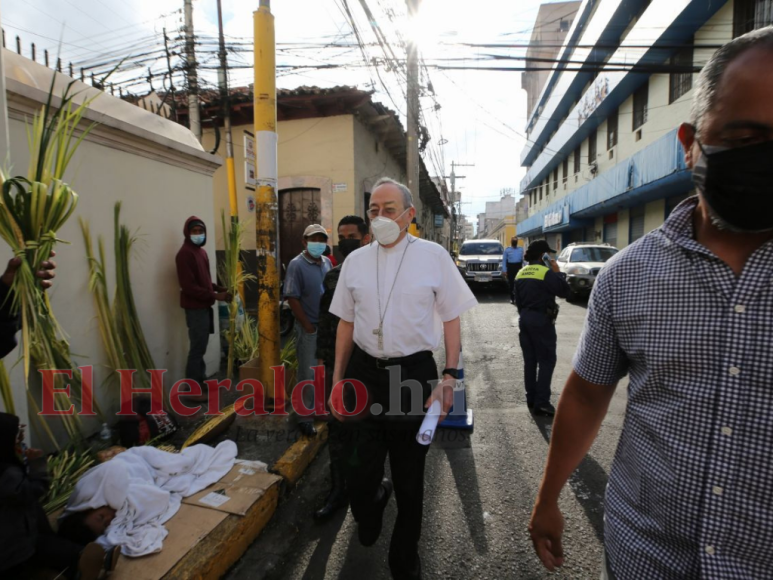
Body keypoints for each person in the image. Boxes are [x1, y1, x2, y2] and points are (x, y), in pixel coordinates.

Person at [529, 27, 773, 579]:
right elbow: (588, 395)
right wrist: (548, 497)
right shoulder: (629, 274)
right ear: (691, 141)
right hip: (644, 557)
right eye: (745, 139)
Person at [329, 177, 477, 579]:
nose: (379, 217)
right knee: (357, 473)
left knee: (411, 481)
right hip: (363, 375)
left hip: (414, 376)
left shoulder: (433, 256)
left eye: (389, 209)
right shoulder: (356, 262)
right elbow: (345, 322)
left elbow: (451, 317)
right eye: (373, 210)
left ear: (409, 215)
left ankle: (404, 558)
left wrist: (449, 376)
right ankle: (371, 502)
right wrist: (338, 379)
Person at [0, 413, 120, 579]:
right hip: (15, 544)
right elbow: (33, 491)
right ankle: (86, 566)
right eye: (17, 435)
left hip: (25, 531)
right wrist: (37, 466)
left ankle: (98, 561)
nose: (21, 437)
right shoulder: (7, 473)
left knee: (55, 547)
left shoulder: (7, 464)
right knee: (50, 552)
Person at [313, 215, 370, 522]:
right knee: (337, 428)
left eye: (351, 235)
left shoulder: (378, 273)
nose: (345, 240)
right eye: (341, 235)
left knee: (368, 430)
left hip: (370, 364)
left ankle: (368, 486)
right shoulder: (333, 276)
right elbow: (326, 323)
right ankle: (338, 490)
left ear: (365, 237)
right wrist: (322, 362)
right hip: (338, 364)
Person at [284, 223, 332, 437]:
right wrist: (307, 326)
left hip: (325, 327)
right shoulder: (297, 264)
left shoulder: (326, 262)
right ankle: (304, 416)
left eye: (322, 240)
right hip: (310, 328)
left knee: (322, 373)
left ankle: (319, 409)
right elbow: (292, 297)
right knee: (308, 373)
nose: (318, 244)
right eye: (314, 240)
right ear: (304, 242)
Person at [175, 217, 231, 399]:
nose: (198, 235)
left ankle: (201, 381)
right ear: (187, 233)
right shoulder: (185, 254)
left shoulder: (201, 252)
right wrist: (215, 296)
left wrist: (217, 287)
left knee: (201, 345)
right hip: (195, 308)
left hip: (204, 306)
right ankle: (191, 388)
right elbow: (189, 287)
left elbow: (204, 281)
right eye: (194, 231)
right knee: (197, 348)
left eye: (201, 231)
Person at [514, 240, 570, 416]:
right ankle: (542, 402)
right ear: (542, 256)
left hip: (525, 319)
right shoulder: (546, 272)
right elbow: (564, 291)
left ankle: (531, 398)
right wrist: (558, 273)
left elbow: (518, 301)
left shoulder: (521, 273)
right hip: (541, 320)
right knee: (546, 360)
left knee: (530, 361)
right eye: (548, 254)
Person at [502, 237, 524, 303]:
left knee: (519, 283)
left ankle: (519, 298)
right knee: (511, 284)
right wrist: (504, 270)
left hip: (519, 267)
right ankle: (512, 298)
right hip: (510, 268)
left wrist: (525, 268)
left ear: (517, 242)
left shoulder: (521, 249)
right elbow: (504, 261)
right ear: (511, 242)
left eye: (516, 241)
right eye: (513, 241)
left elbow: (523, 260)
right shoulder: (507, 250)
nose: (514, 243)